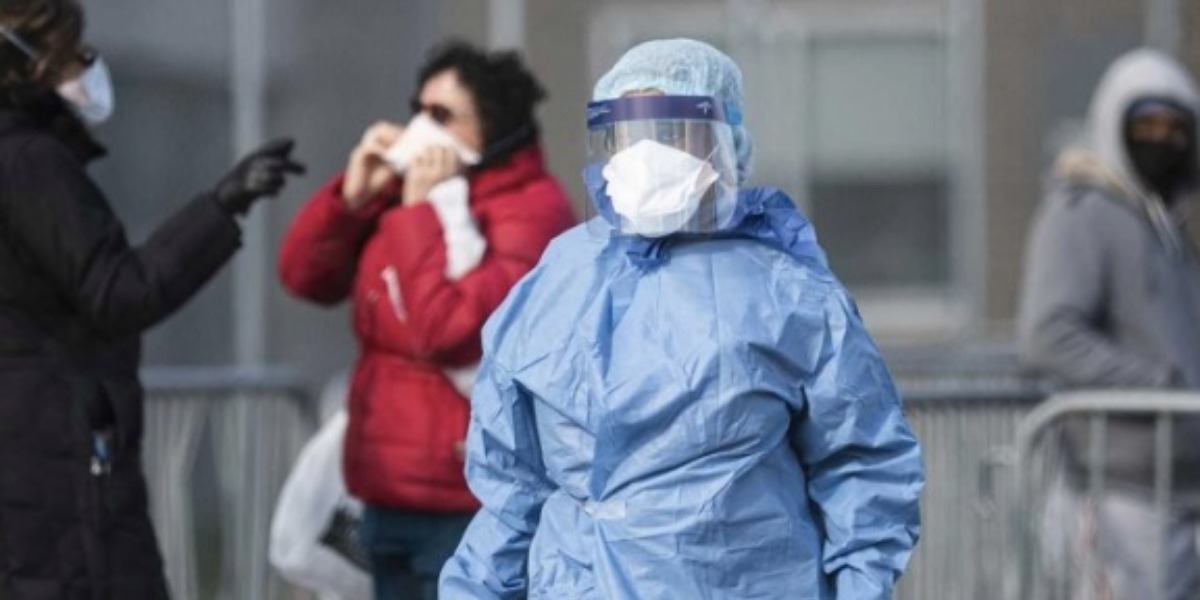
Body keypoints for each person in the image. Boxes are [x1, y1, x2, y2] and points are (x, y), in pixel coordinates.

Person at [439, 38, 924, 600]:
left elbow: (862, 465)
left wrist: (860, 588)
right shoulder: (559, 278)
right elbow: (511, 487)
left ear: (725, 142)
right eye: (630, 137)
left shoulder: (789, 295)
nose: (648, 155)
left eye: (671, 134)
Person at [0, 1, 305, 598]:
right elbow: (118, 290)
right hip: (56, 467)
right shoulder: (29, 162)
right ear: (34, 61)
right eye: (73, 53)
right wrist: (222, 207)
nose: (87, 67)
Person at [278, 40, 575, 600]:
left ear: (493, 127)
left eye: (442, 116)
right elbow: (304, 276)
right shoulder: (403, 193)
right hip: (382, 494)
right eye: (417, 109)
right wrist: (352, 196)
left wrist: (422, 212)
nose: (421, 127)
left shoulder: (531, 210)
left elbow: (450, 330)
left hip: (464, 505)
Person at [1017, 48, 1200, 600]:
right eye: (1145, 125)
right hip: (1121, 494)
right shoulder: (1083, 211)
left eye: (1175, 129)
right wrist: (1159, 385)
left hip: (1180, 492)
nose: (1161, 140)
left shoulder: (1166, 229)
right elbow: (1048, 335)